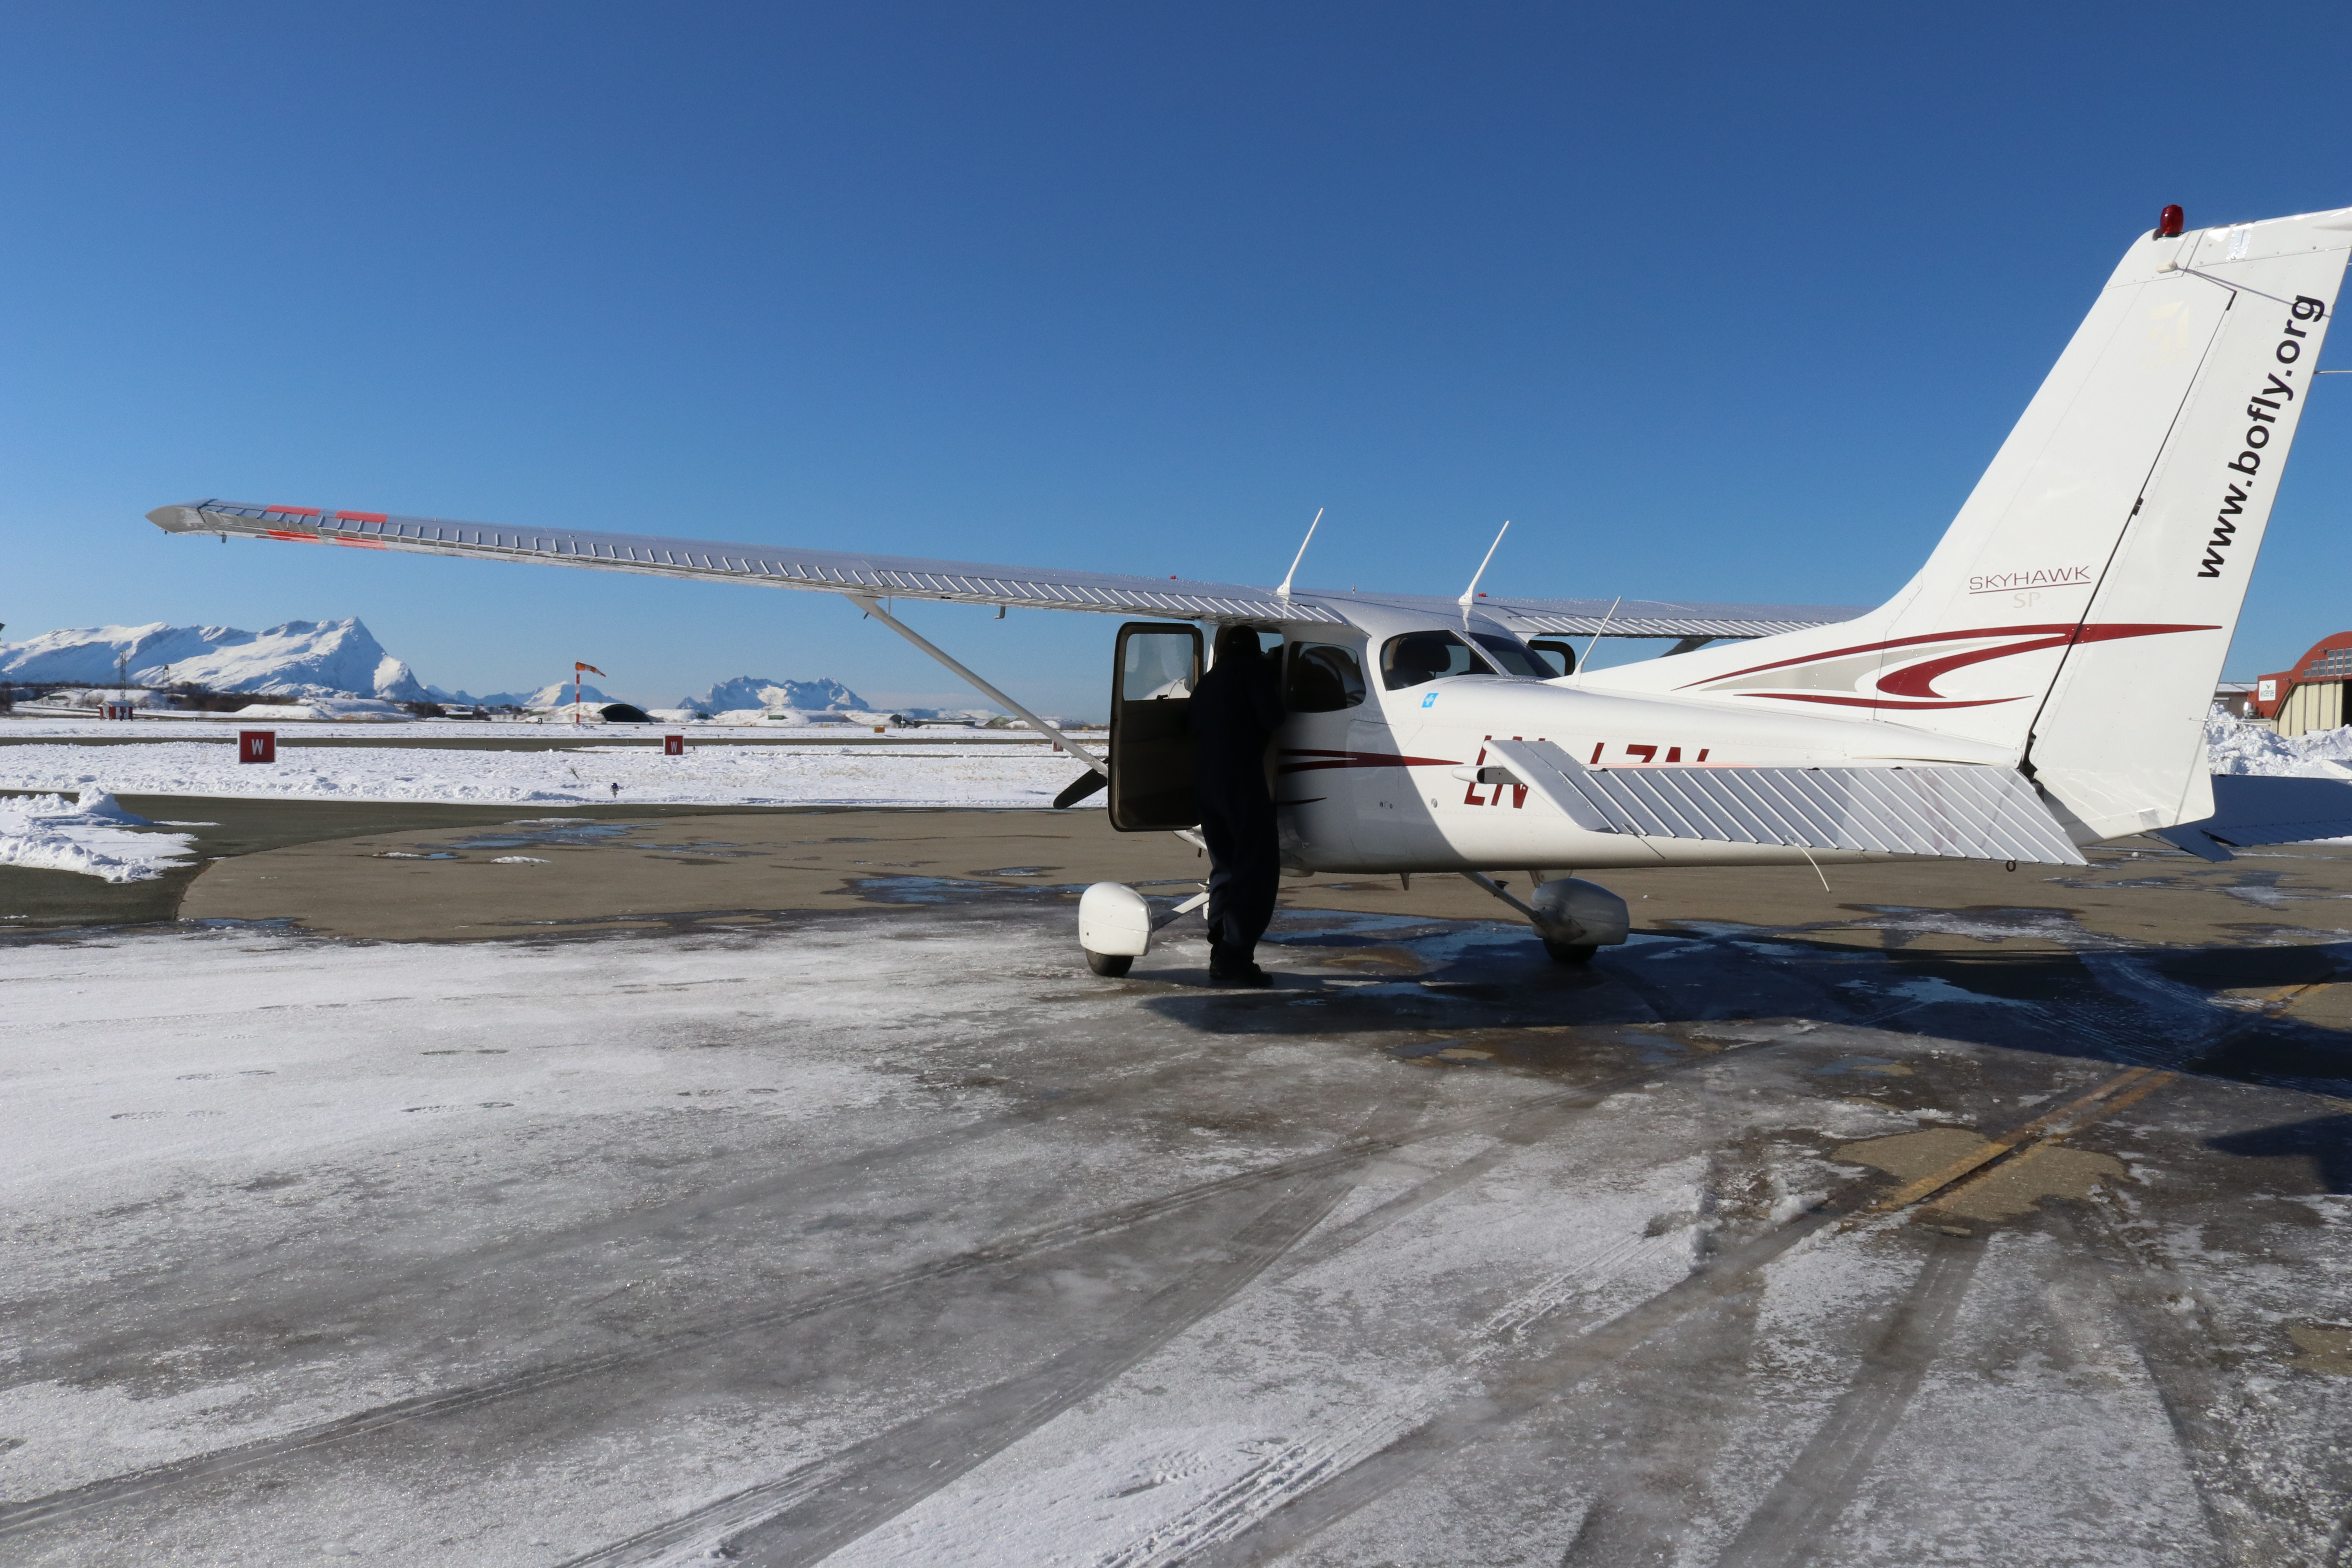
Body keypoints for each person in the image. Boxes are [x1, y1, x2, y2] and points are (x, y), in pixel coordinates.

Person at [1189, 624, 1285, 986]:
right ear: (1255, 651)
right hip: (1242, 781)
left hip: (1205, 784)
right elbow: (1274, 718)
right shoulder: (1253, 673)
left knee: (1225, 865)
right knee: (1255, 868)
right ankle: (1236, 956)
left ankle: (1220, 947)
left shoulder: (1207, 682)